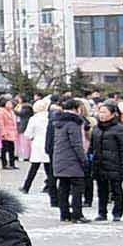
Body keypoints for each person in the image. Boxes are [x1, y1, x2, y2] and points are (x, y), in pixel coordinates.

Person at [45, 95, 90, 223]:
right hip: (72, 160)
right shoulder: (73, 123)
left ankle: (64, 214)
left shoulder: (57, 122)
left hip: (59, 158)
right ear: (76, 109)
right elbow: (76, 144)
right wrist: (84, 160)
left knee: (63, 186)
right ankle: (77, 214)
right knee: (77, 187)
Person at [91, 100, 123, 222]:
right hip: (99, 163)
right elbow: (92, 147)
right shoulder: (96, 128)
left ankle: (117, 213)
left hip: (115, 163)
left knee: (116, 189)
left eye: (104, 112)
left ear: (113, 114)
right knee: (101, 189)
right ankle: (102, 212)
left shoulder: (119, 128)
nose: (101, 114)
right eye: (100, 112)